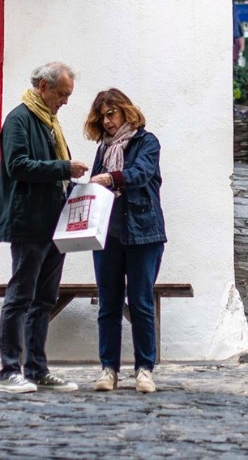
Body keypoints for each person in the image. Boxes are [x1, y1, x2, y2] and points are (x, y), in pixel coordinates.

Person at [0, 61, 89, 393]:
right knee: (20, 295)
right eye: (62, 93)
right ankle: (9, 370)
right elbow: (17, 165)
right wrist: (64, 167)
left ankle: (36, 368)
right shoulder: (19, 119)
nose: (65, 101)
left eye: (68, 94)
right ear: (43, 88)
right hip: (29, 222)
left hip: (53, 223)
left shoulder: (48, 122)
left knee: (45, 298)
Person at [83, 89, 167, 394]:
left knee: (142, 303)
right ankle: (109, 369)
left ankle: (145, 369)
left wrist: (110, 178)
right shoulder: (103, 149)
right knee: (108, 304)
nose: (106, 122)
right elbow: (94, 185)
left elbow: (141, 173)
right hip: (107, 234)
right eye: (101, 117)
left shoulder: (147, 141)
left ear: (125, 111)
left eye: (111, 114)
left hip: (144, 232)